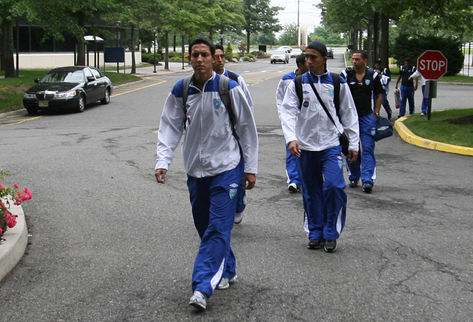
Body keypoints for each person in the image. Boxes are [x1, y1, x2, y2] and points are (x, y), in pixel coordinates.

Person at [154, 37, 258, 311]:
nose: (199, 59)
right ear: (189, 59)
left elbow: (247, 128)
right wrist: (162, 161)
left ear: (214, 58)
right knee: (205, 226)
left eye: (204, 55)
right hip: (196, 171)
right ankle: (229, 267)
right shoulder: (182, 88)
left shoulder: (229, 88)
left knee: (218, 226)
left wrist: (251, 168)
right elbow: (170, 126)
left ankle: (201, 287)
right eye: (194, 55)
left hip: (227, 168)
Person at [279, 40, 359, 253]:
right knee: (311, 192)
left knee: (334, 187)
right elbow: (287, 113)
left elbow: (349, 113)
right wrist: (291, 139)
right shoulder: (297, 83)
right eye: (307, 57)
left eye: (313, 57)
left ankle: (331, 232)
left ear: (324, 58)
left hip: (331, 145)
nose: (309, 61)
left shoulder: (336, 82)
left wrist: (353, 143)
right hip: (305, 147)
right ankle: (315, 232)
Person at [213, 43, 254, 225]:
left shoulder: (235, 79)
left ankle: (239, 204)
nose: (220, 60)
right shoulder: (201, 83)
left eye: (222, 56)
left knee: (236, 176)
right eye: (216, 56)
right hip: (214, 141)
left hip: (235, 138)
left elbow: (248, 108)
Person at [342, 50, 383, 193]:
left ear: (365, 60)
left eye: (357, 59)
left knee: (368, 148)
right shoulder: (346, 75)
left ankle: (367, 179)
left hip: (367, 117)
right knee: (350, 149)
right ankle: (354, 175)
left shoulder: (373, 75)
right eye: (353, 59)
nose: (354, 62)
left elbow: (379, 94)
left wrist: (376, 112)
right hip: (349, 118)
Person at [276, 54, 308, 193]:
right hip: (292, 120)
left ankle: (307, 177)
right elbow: (280, 98)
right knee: (292, 148)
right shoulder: (287, 79)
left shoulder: (312, 79)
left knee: (309, 150)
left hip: (308, 121)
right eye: (308, 62)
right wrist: (283, 116)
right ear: (300, 65)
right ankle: (294, 180)